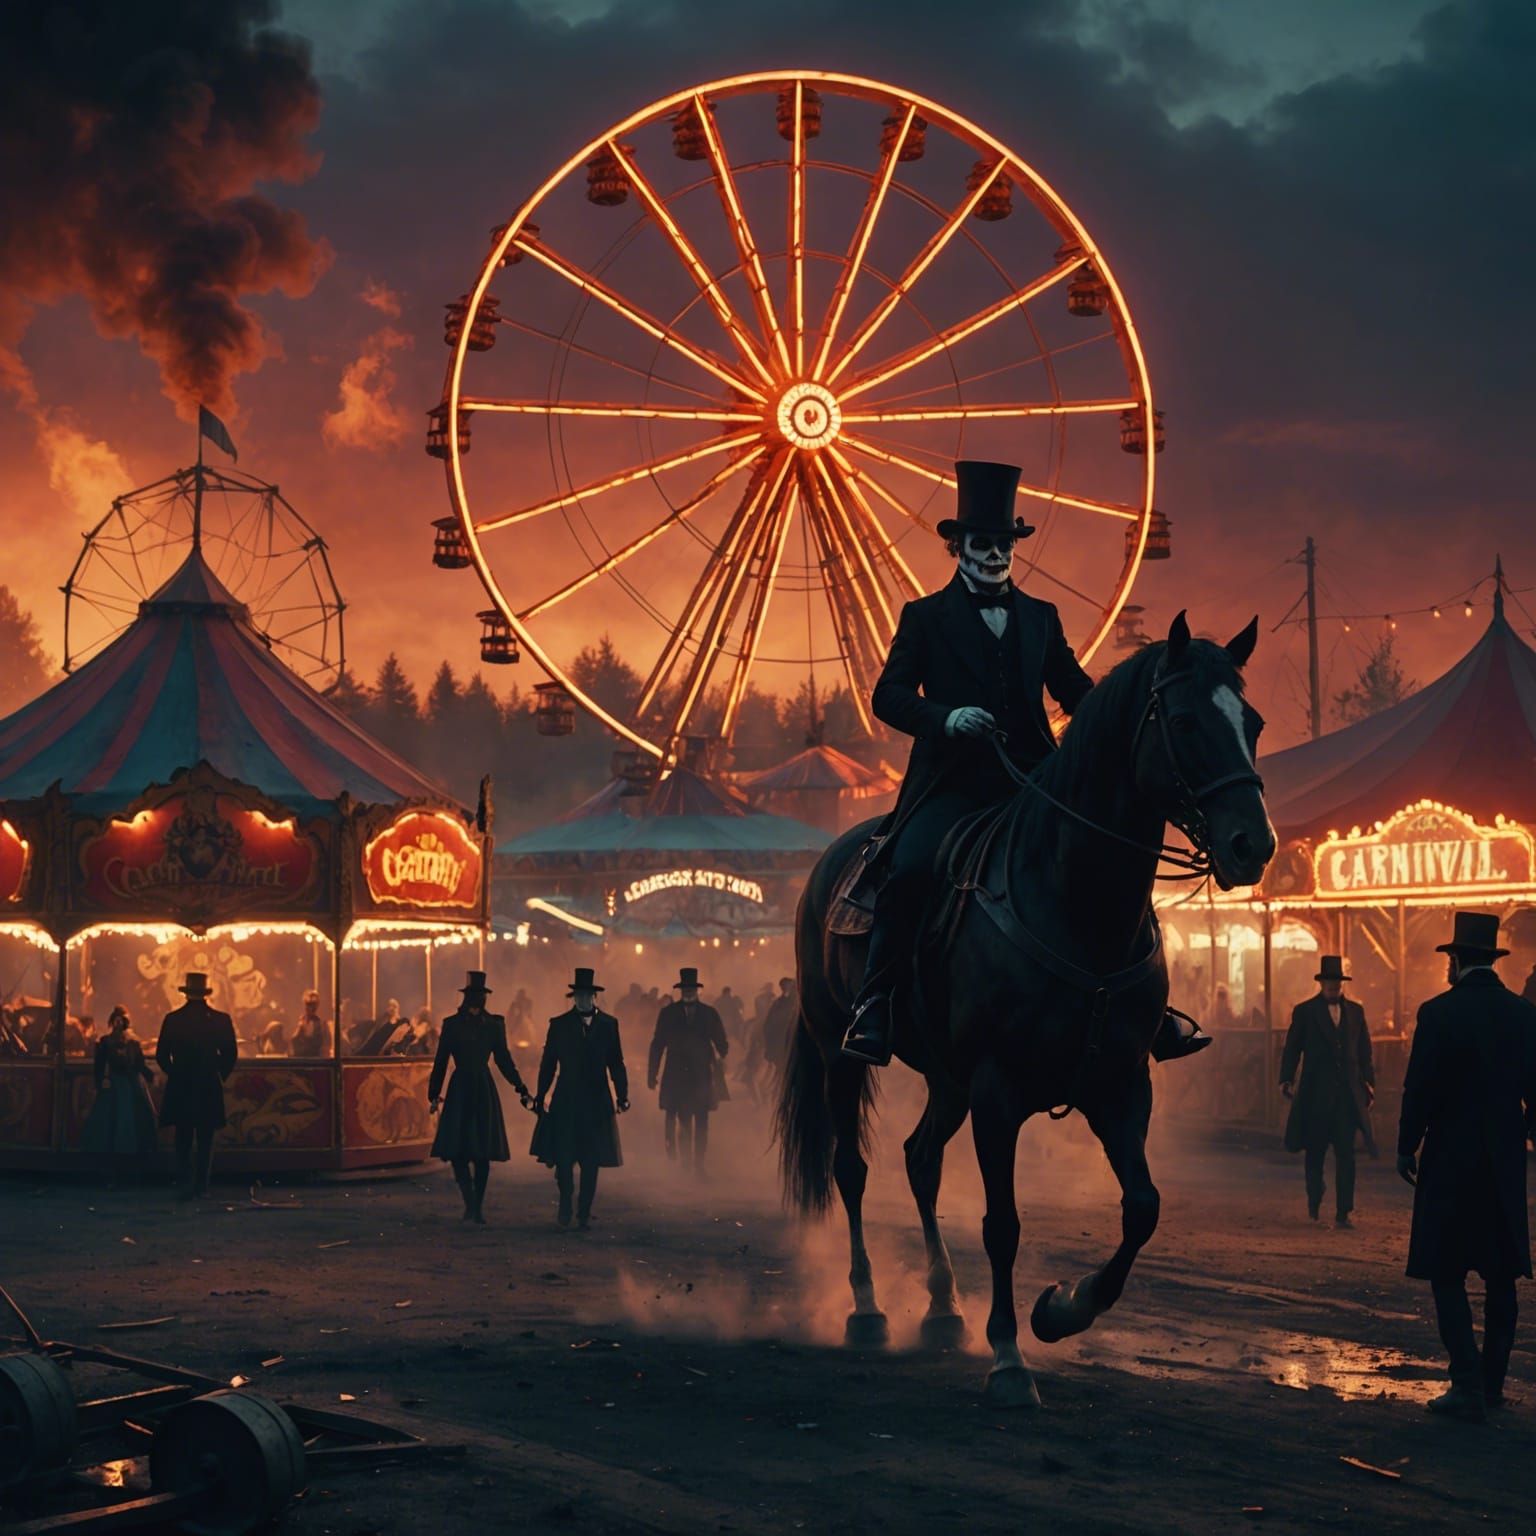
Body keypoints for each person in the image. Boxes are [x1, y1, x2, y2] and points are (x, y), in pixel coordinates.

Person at [840, 459, 1203, 1068]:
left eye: (1004, 544)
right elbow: (888, 697)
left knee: (1112, 860)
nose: (994, 555)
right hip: (952, 785)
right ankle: (874, 1004)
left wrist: (1117, 723)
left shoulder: (1042, 617)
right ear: (957, 548)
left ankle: (1148, 1007)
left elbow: (1073, 690)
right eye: (982, 544)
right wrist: (947, 718)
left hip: (1036, 778)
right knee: (909, 871)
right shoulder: (924, 617)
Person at [1398, 911, 1536, 1421]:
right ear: (1492, 960)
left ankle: (1466, 1382)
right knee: (1502, 1278)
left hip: (1450, 1161)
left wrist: (1404, 1145)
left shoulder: (1438, 1014)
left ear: (1456, 962)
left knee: (1446, 1271)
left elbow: (1420, 1091)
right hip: (1502, 1164)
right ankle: (1494, 1384)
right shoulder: (1524, 1016)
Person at [427, 970, 530, 1225]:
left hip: (481, 1087)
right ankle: (470, 1203)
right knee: (458, 1152)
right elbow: (441, 1061)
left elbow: (504, 1060)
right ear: (467, 997)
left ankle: (477, 1206)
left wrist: (520, 1086)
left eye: (481, 995)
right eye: (474, 995)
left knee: (482, 1152)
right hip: (461, 1086)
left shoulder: (495, 1025)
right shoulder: (451, 1024)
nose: (477, 1000)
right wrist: (433, 1093)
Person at [1280, 955, 1376, 1227]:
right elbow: (1292, 1047)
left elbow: (1364, 1051)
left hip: (1346, 1097)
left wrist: (1369, 1083)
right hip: (1315, 1096)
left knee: (1346, 1156)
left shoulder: (1356, 1012)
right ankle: (1314, 1200)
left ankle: (1343, 1212)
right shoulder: (1305, 1012)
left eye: (1337, 982)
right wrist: (1286, 1078)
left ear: (1341, 983)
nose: (1333, 986)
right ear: (1321, 984)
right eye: (1329, 982)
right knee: (1315, 1154)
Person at [531, 966, 629, 1229]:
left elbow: (616, 1063)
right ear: (574, 997)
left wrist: (623, 1095)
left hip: (596, 1101)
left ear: (593, 997)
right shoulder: (559, 1025)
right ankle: (565, 1203)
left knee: (591, 1160)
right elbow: (548, 1064)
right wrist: (541, 1095)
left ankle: (583, 1212)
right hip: (567, 1100)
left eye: (587, 995)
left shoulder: (609, 1025)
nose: (583, 999)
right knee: (564, 1159)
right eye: (579, 995)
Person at [155, 973, 237, 1200]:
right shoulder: (220, 1019)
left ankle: (184, 1182)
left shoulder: (173, 1019)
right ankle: (202, 1185)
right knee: (205, 1137)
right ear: (205, 993)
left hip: (181, 1083)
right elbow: (230, 1053)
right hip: (208, 1083)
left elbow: (162, 1055)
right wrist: (219, 1074)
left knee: (182, 1136)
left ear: (185, 992)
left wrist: (175, 1073)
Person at [648, 966, 728, 1175]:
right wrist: (652, 1074)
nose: (689, 991)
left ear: (697, 990)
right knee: (683, 1119)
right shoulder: (668, 1013)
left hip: (701, 1075)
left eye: (692, 988)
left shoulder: (709, 1014)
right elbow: (657, 1044)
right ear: (681, 990)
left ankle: (699, 1165)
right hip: (677, 1075)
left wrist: (721, 1049)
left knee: (701, 1122)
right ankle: (685, 1164)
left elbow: (722, 1044)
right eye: (686, 988)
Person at [81, 1007, 158, 1185]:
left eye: (121, 1021)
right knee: (110, 1125)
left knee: (135, 1122)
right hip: (114, 1086)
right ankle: (111, 1168)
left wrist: (151, 1076)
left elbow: (139, 1064)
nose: (118, 1024)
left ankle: (132, 1167)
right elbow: (99, 1066)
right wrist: (100, 1083)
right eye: (115, 1020)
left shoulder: (133, 1044)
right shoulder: (105, 1042)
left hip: (132, 1085)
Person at [761, 976, 799, 1091]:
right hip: (782, 1042)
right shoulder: (777, 1002)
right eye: (785, 986)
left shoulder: (795, 1001)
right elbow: (769, 1024)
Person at [290, 988, 329, 1057]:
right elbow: (294, 1040)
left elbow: (324, 1046)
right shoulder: (301, 1021)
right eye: (307, 1004)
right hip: (302, 1060)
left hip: (315, 1060)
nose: (308, 1008)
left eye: (312, 1005)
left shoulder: (321, 1024)